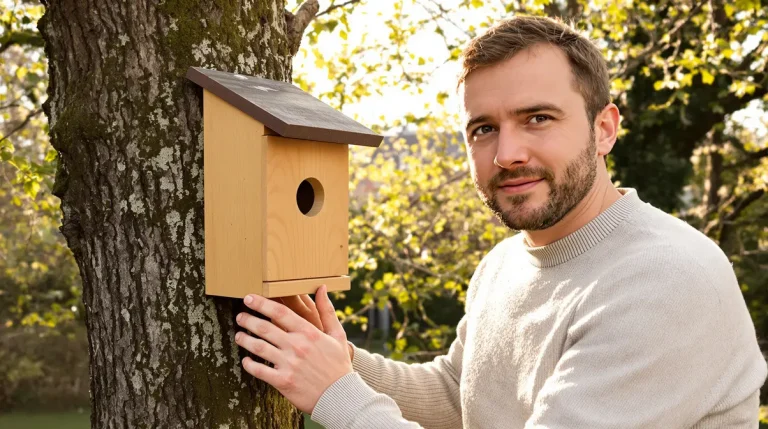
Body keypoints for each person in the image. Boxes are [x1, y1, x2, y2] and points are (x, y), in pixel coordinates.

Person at [232, 15, 768, 428]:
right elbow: (455, 393)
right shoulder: (504, 264)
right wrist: (338, 360)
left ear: (604, 129)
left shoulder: (663, 280)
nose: (507, 152)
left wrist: (337, 396)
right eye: (483, 129)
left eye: (538, 118)